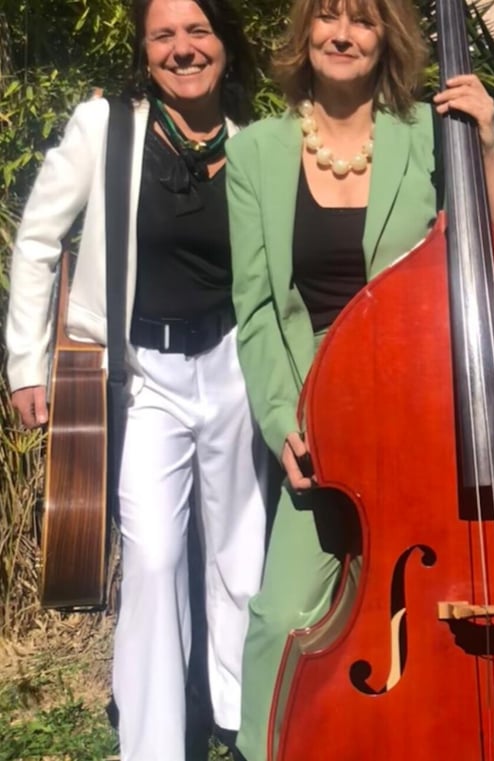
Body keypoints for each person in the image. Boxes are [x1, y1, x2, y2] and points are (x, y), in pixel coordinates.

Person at [225, 0, 494, 756]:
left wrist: (484, 148)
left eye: (362, 21)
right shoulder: (257, 151)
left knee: (427, 602)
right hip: (318, 407)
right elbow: (257, 308)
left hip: (421, 398)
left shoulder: (428, 136)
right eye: (327, 18)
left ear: (384, 39)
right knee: (282, 615)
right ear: (304, 37)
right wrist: (281, 422)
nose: (342, 35)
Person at [5, 0, 268, 758]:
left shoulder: (253, 146)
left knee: (240, 552)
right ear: (144, 51)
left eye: (198, 32)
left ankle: (237, 712)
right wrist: (27, 361)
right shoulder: (106, 129)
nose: (183, 49)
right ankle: (152, 743)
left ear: (224, 44)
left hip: (233, 366)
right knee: (152, 555)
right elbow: (37, 239)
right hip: (142, 372)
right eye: (164, 35)